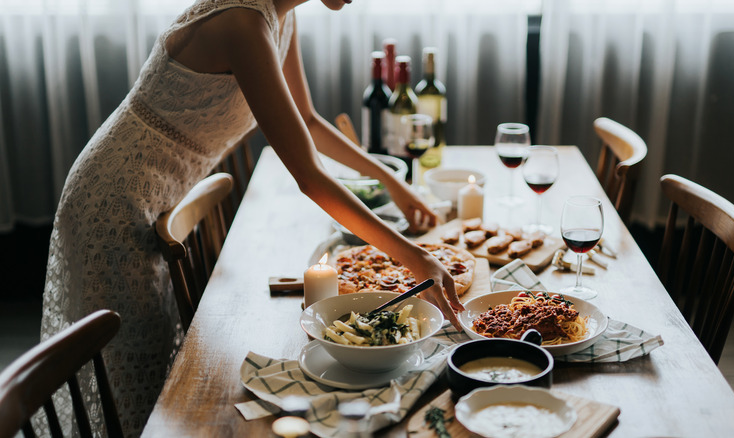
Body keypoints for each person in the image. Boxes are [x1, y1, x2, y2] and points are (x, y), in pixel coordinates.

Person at [38, 0, 464, 435]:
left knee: (154, 366)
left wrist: (389, 179)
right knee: (130, 372)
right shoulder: (242, 22)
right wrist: (411, 256)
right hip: (115, 197)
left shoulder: (283, 14)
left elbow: (308, 120)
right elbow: (310, 177)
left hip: (160, 196)